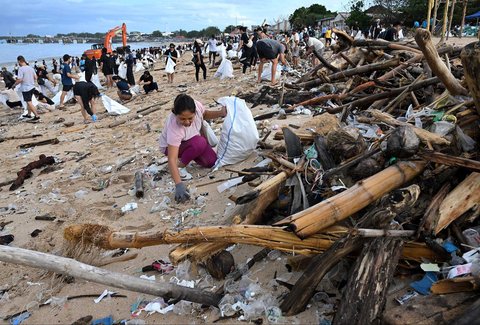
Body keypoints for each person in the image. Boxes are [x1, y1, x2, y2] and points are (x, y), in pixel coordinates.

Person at [158, 94, 227, 203]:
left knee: (211, 162)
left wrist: (221, 113)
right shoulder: (174, 127)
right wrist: (179, 184)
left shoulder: (197, 107)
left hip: (192, 140)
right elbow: (172, 158)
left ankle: (192, 153)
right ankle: (181, 164)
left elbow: (206, 114)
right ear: (175, 115)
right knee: (199, 143)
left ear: (195, 113)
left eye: (190, 118)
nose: (186, 122)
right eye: (182, 119)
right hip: (172, 147)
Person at [13, 55, 40, 120]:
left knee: (28, 102)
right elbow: (36, 77)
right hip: (32, 86)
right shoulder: (31, 68)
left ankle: (37, 116)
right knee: (29, 101)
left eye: (18, 62)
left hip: (26, 88)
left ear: (19, 61)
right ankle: (29, 114)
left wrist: (14, 85)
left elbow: (20, 79)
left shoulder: (21, 69)